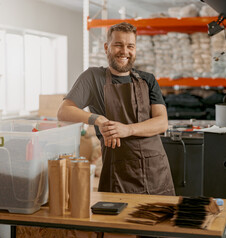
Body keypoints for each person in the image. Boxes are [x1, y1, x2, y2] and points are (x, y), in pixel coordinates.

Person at [57, 22, 175, 196]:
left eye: (130, 46)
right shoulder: (93, 77)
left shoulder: (147, 80)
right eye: (118, 45)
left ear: (135, 49)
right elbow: (63, 111)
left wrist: (127, 129)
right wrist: (97, 119)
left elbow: (162, 122)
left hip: (155, 171)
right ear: (107, 47)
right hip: (119, 175)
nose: (124, 51)